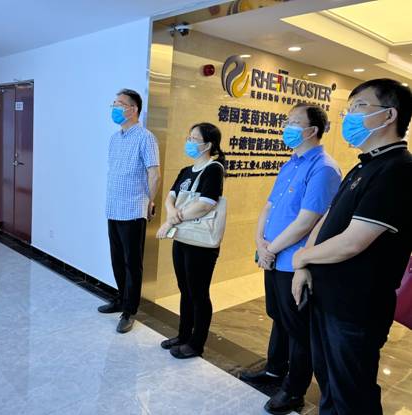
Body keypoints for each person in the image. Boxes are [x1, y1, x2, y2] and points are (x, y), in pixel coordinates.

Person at [292, 79, 412, 415]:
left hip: (356, 307)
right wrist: (305, 265)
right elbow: (329, 218)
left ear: (389, 115)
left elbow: (352, 242)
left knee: (352, 394)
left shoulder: (399, 170)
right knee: (330, 383)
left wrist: (301, 256)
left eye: (358, 106)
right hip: (328, 296)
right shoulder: (365, 164)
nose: (349, 116)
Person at [241, 103, 341, 415]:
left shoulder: (324, 168)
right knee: (279, 317)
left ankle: (295, 390)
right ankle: (274, 370)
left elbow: (307, 221)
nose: (287, 127)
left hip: (293, 262)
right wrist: (260, 242)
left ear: (312, 130)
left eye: (294, 122)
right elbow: (269, 206)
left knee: (298, 329)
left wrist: (271, 249)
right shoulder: (291, 163)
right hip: (272, 255)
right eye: (287, 121)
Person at [156, 122, 225, 359]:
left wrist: (171, 222)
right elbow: (170, 197)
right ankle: (183, 334)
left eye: (194, 139)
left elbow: (206, 204)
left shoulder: (214, 169)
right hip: (183, 238)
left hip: (201, 244)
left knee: (198, 293)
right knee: (184, 289)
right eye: (189, 137)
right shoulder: (186, 170)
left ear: (208, 145)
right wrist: (171, 214)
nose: (189, 142)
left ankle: (197, 344)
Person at [99, 89, 160, 334]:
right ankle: (120, 299)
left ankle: (130, 310)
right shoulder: (115, 138)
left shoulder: (146, 138)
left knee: (132, 263)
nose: (115, 108)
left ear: (133, 109)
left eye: (120, 104)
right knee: (117, 259)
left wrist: (150, 202)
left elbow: (154, 174)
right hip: (113, 207)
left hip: (133, 209)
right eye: (114, 103)